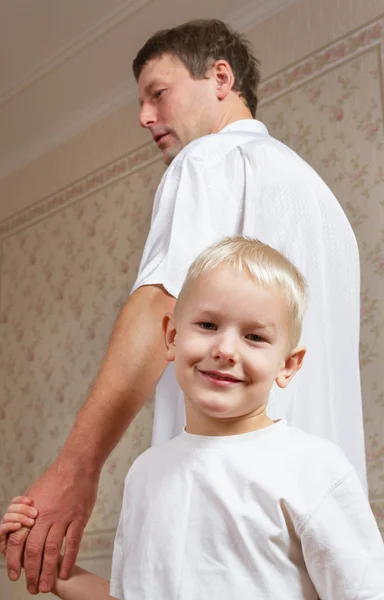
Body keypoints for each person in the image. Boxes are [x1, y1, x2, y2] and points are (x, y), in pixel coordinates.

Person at [5, 19, 366, 595]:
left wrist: (74, 471)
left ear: (220, 77)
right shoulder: (324, 206)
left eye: (158, 93)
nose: (144, 117)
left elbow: (157, 307)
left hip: (215, 518)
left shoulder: (208, 160)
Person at [2, 238, 383, 600]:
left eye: (254, 337)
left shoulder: (314, 467)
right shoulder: (146, 472)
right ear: (171, 336)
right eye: (208, 325)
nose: (225, 350)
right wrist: (40, 562)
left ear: (287, 365)